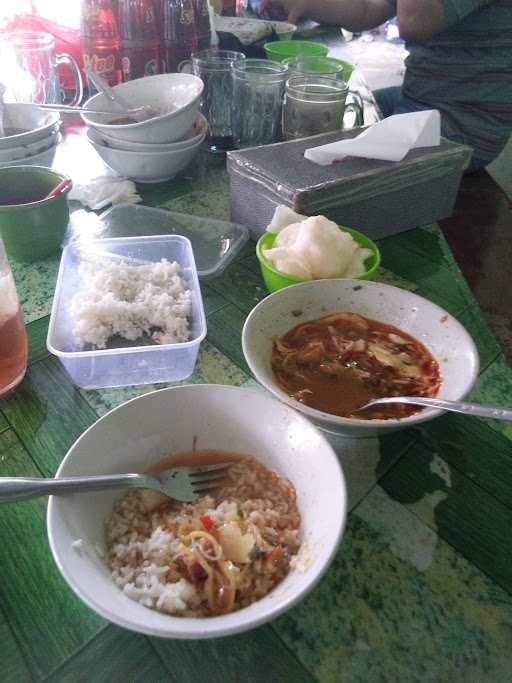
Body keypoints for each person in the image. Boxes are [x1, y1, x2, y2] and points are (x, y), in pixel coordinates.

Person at [259, 0, 512, 172]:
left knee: (315, 167)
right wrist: (304, 3)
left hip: (463, 125)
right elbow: (368, 9)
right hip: (419, 99)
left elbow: (415, 20)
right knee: (309, 121)